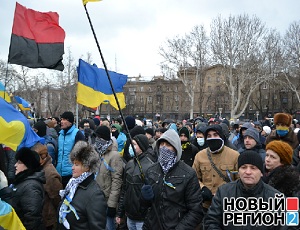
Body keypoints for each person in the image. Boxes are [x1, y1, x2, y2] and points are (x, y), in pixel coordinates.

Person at [205, 151, 286, 229]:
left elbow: (288, 226)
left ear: (261, 173)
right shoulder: (223, 192)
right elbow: (211, 221)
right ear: (238, 171)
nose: (248, 172)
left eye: (253, 168)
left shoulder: (276, 198)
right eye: (243, 167)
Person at [140, 129, 203, 229]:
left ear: (176, 148)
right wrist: (143, 198)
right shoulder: (151, 170)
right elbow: (145, 207)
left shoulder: (188, 174)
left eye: (168, 145)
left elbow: (195, 211)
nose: (164, 148)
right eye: (162, 144)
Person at [57, 141, 107, 229]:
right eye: (73, 164)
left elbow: (97, 226)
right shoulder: (73, 185)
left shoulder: (95, 194)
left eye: (77, 164)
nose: (72, 167)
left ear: (87, 167)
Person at [193, 125, 239, 213]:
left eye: (215, 135)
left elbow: (239, 179)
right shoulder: (200, 155)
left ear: (221, 137)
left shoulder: (234, 155)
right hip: (205, 206)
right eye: (209, 136)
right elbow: (194, 177)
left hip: (227, 206)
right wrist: (203, 188)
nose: (212, 138)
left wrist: (227, 192)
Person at [116, 134, 155, 229]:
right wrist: (120, 213)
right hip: (129, 216)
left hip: (143, 218)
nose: (131, 146)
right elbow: (124, 190)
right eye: (131, 143)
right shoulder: (129, 164)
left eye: (134, 144)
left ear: (141, 146)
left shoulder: (150, 167)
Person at [94, 125, 123, 230]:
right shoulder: (97, 153)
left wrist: (112, 205)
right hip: (96, 199)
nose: (96, 140)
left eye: (99, 137)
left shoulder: (114, 156)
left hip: (107, 201)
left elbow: (116, 181)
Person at [9, 147, 45, 230]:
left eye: (19, 162)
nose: (15, 165)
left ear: (28, 165)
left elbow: (32, 218)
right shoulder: (22, 181)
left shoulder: (31, 186)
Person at [31, 143, 63, 230]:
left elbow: (57, 198)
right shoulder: (39, 169)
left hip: (48, 219)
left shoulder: (50, 173)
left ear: (43, 157)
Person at [56, 111, 85, 188]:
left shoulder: (78, 134)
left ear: (70, 122)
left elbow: (82, 155)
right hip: (59, 173)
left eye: (65, 119)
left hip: (71, 174)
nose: (61, 121)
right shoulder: (60, 134)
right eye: (61, 119)